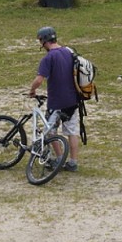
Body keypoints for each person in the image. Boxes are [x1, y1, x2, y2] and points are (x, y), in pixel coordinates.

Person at [27, 26, 80, 172]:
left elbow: (38, 80)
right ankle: (73, 162)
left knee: (50, 131)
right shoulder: (69, 52)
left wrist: (32, 90)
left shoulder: (48, 58)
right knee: (72, 131)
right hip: (73, 100)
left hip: (57, 102)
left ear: (44, 41)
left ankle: (59, 158)